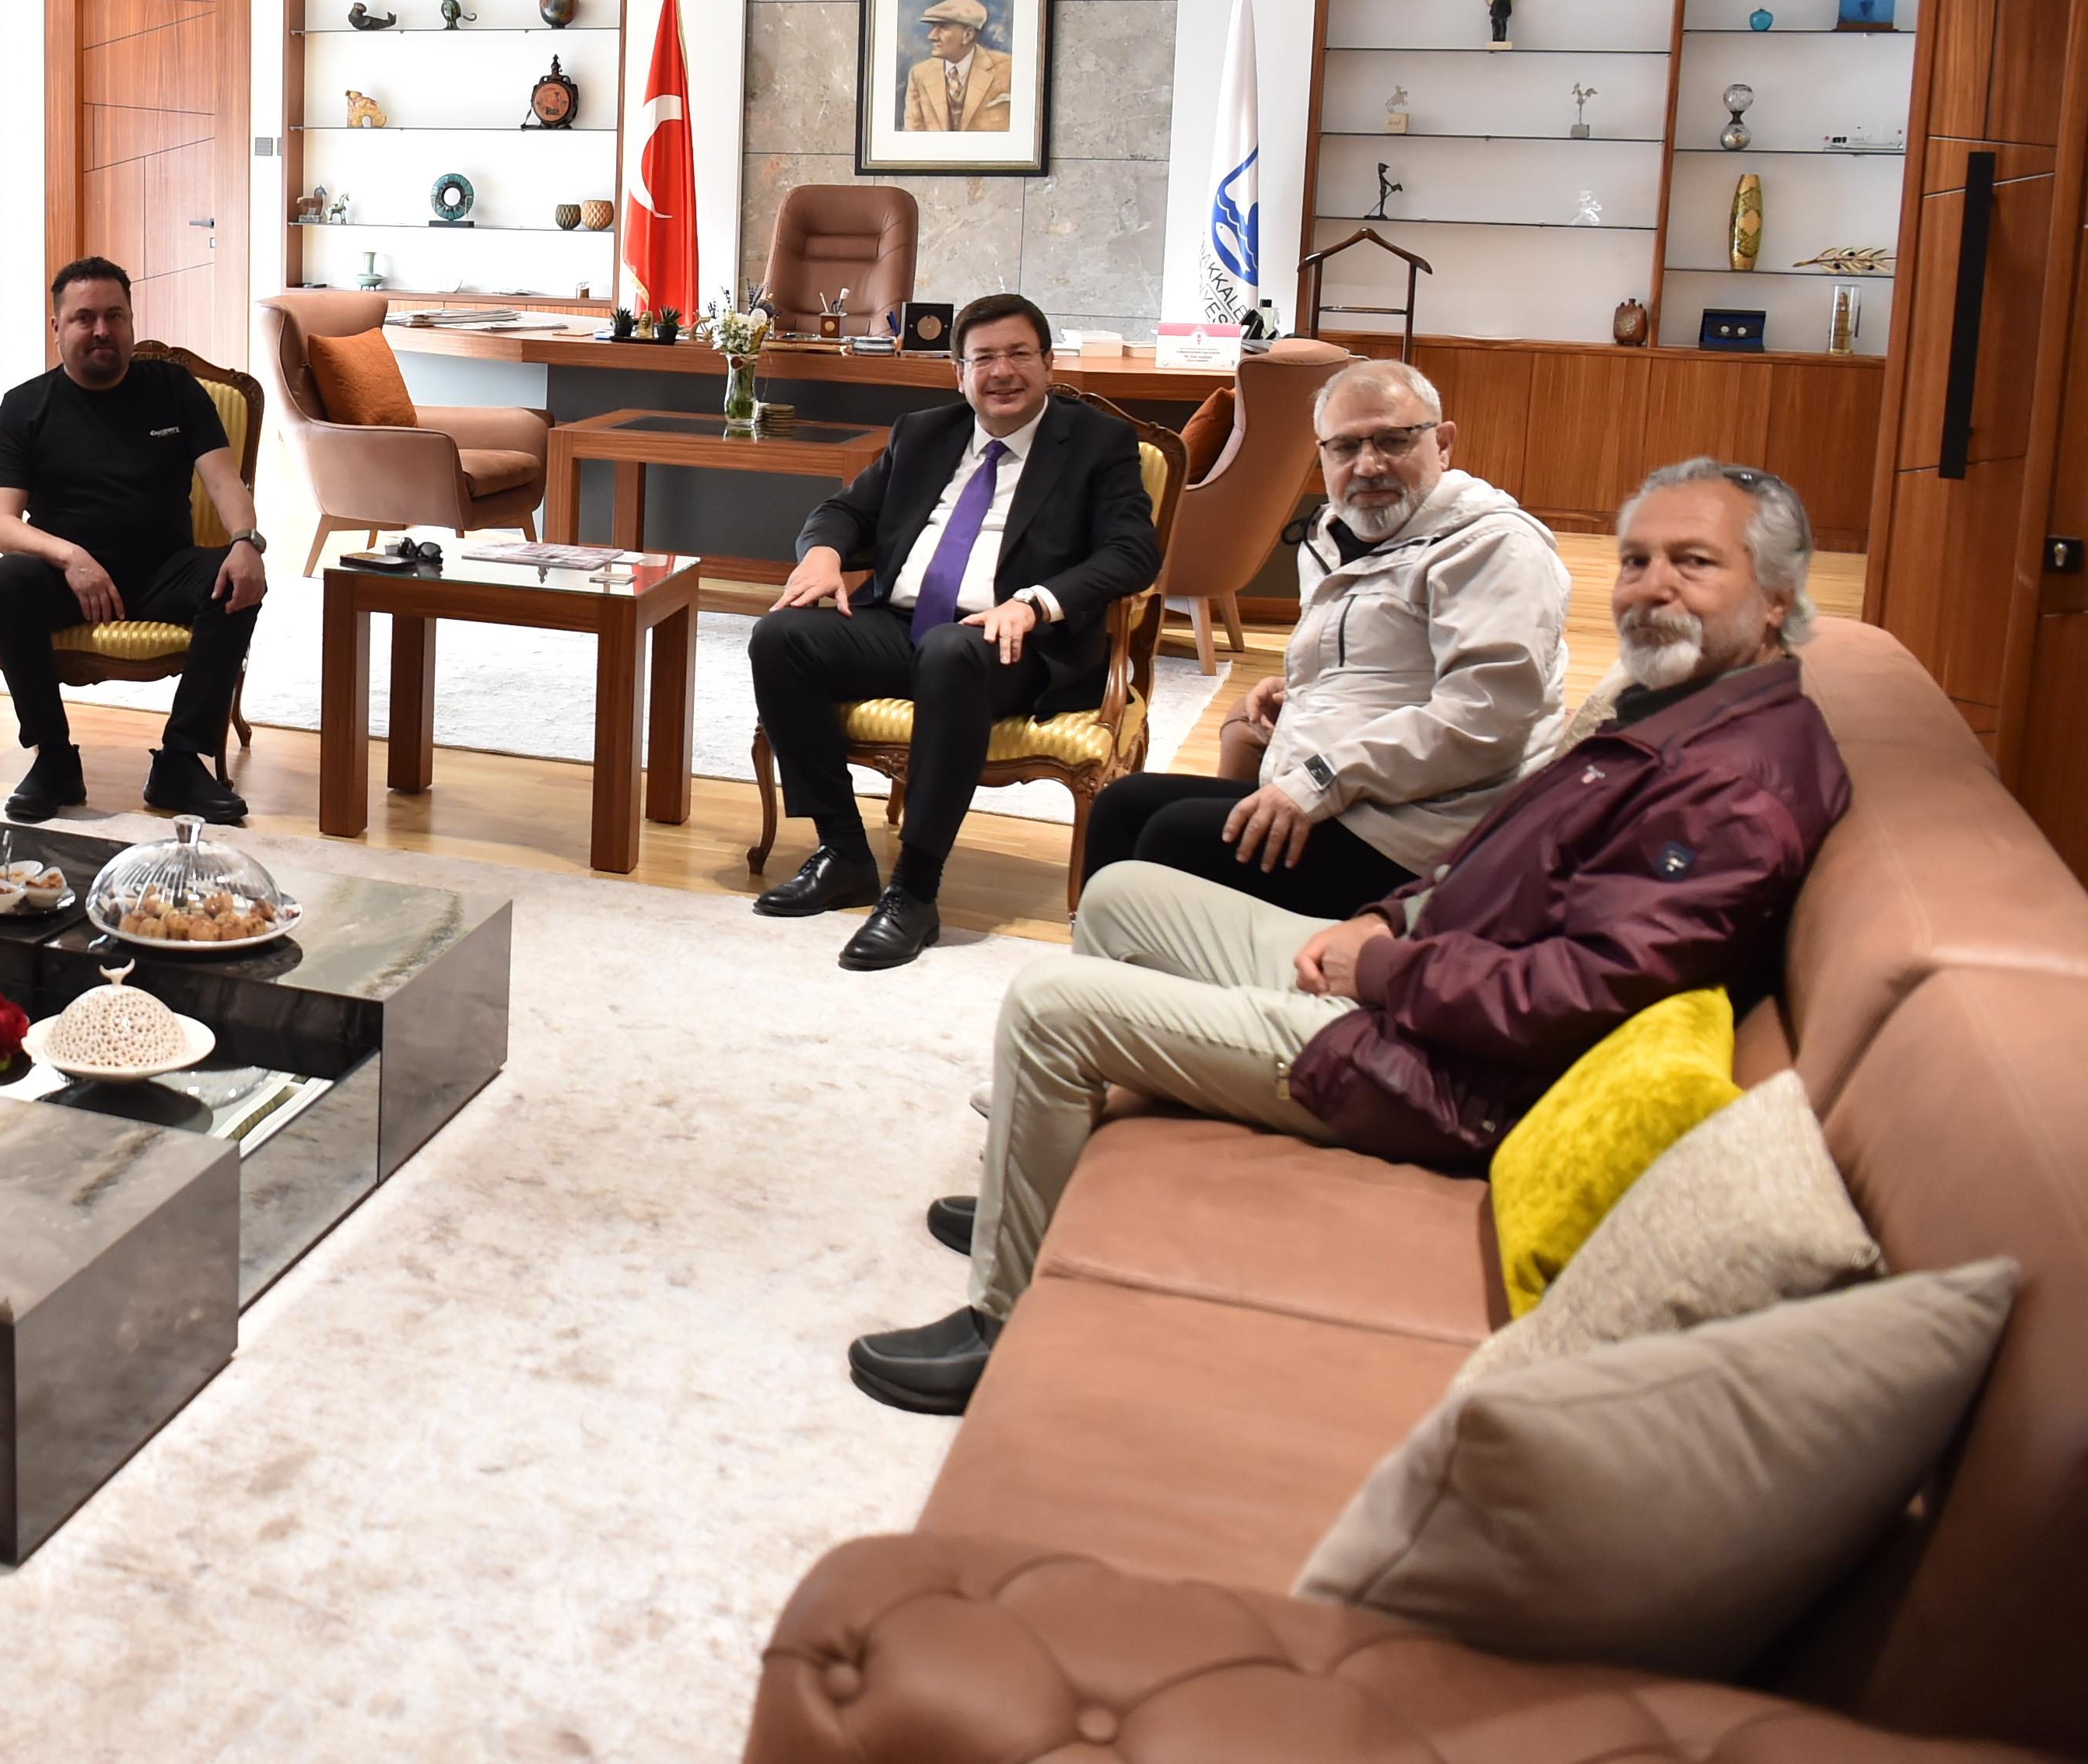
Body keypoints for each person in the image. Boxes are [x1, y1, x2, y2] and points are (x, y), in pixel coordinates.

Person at [847, 459, 1850, 1416]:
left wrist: (1382, 966)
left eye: (1692, 562)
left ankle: (1001, 1324)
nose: (1649, 585)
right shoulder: (1674, 711)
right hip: (1420, 987)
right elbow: (1504, 862)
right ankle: (1046, 1178)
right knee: (1122, 896)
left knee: (1049, 1004)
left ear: (1775, 595)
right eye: (1636, 559)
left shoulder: (1729, 787)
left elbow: (1577, 994)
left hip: (1433, 1067)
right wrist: (1387, 915)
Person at [748, 293, 1161, 968]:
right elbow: (843, 512)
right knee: (780, 638)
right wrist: (821, 553)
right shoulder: (923, 432)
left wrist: (1034, 603)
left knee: (951, 652)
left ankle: (914, 891)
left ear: (1048, 364)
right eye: (984, 358)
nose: (1003, 372)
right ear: (958, 372)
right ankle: (843, 852)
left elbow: (1132, 553)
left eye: (1019, 354)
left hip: (1016, 646)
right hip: (903, 625)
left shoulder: (1098, 444)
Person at [1081, 358, 1570, 917]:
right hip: (1353, 796)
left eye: (1393, 440)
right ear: (1323, 455)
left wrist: (1318, 779)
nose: (1368, 465)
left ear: (1443, 444)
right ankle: (1103, 965)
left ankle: (1185, 969)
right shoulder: (1339, 537)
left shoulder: (1492, 548)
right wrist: (1302, 691)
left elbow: (1485, 717)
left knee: (1172, 840)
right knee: (1123, 806)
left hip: (1428, 832)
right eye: (1345, 447)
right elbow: (1384, 666)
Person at [0, 257, 268, 826]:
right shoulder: (25, 407)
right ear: (57, 327)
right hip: (69, 582)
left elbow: (224, 482)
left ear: (131, 321)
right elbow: (0, 525)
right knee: (7, 580)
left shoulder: (174, 389)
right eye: (84, 318)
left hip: (165, 569)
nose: (101, 330)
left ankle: (180, 761)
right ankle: (54, 759)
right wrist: (71, 556)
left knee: (236, 580)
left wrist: (245, 541)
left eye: (115, 316)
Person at [902, 0, 1014, 135]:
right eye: (933, 27)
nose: (932, 36)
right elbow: (912, 134)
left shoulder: (1008, 69)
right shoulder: (920, 74)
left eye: (943, 28)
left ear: (968, 35)